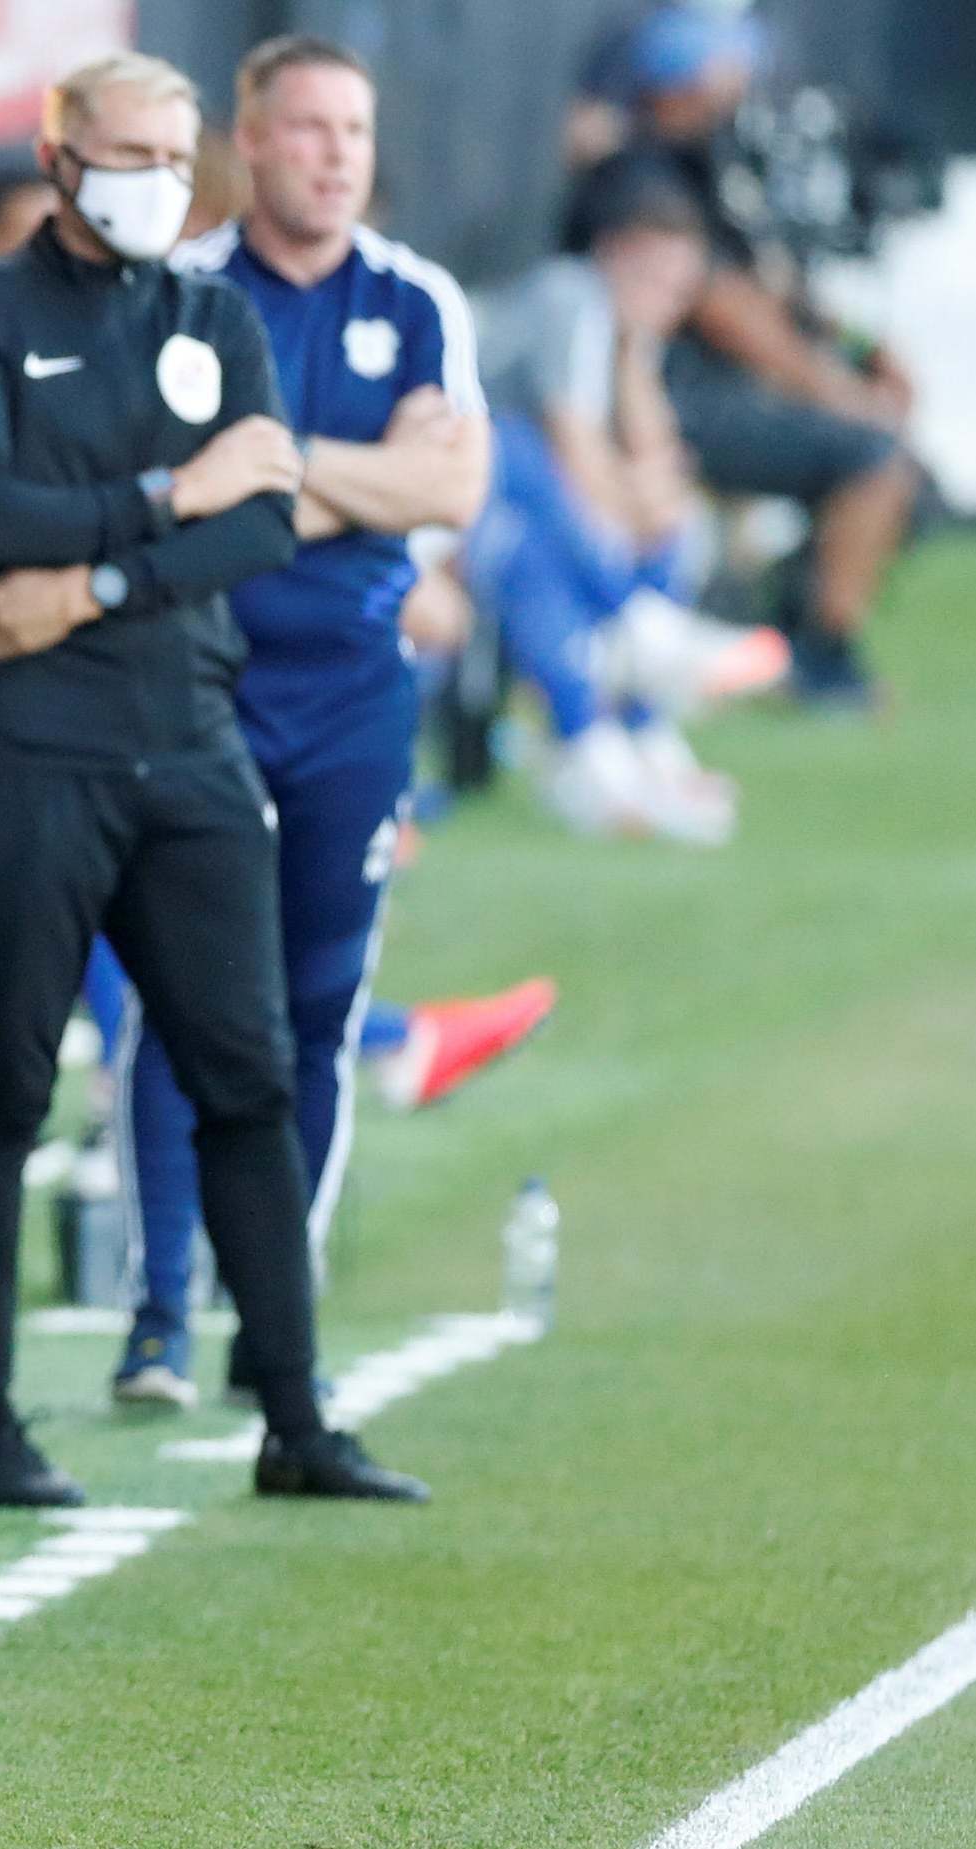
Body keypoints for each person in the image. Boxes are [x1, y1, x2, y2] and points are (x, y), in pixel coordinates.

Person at [0, 50, 425, 1507]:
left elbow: (257, 524)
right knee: (2, 1088)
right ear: (61, 152)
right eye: (123, 151)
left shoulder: (216, 318)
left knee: (248, 1074)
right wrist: (157, 501)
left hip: (188, 745)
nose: (149, 179)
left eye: (170, 154)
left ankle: (295, 1413)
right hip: (29, 755)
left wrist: (81, 585)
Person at [112, 35, 492, 1402]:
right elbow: (165, 488)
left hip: (349, 690)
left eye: (355, 131)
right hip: (195, 680)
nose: (336, 154)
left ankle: (275, 1310)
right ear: (253, 143)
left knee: (319, 1004)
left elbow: (453, 492)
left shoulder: (418, 298)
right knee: (188, 996)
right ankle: (158, 1306)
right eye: (310, 129)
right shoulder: (182, 290)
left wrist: (284, 473)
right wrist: (367, 477)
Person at [560, 8, 924, 705]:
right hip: (659, 401)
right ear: (681, 79)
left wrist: (864, 351)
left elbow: (777, 290)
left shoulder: (710, 170)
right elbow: (725, 307)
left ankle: (785, 619)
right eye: (720, 66)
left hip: (708, 397)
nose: (737, 81)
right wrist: (835, 390)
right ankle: (820, 658)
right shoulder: (638, 175)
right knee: (874, 456)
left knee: (892, 465)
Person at [474, 168, 782, 842]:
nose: (664, 301)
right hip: (460, 483)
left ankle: (633, 734)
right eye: (651, 279)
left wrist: (635, 363)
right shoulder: (569, 295)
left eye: (678, 289)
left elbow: (658, 459)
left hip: (520, 518)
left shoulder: (622, 333)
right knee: (522, 475)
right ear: (612, 252)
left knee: (658, 514)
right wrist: (626, 505)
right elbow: (568, 437)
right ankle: (633, 645)